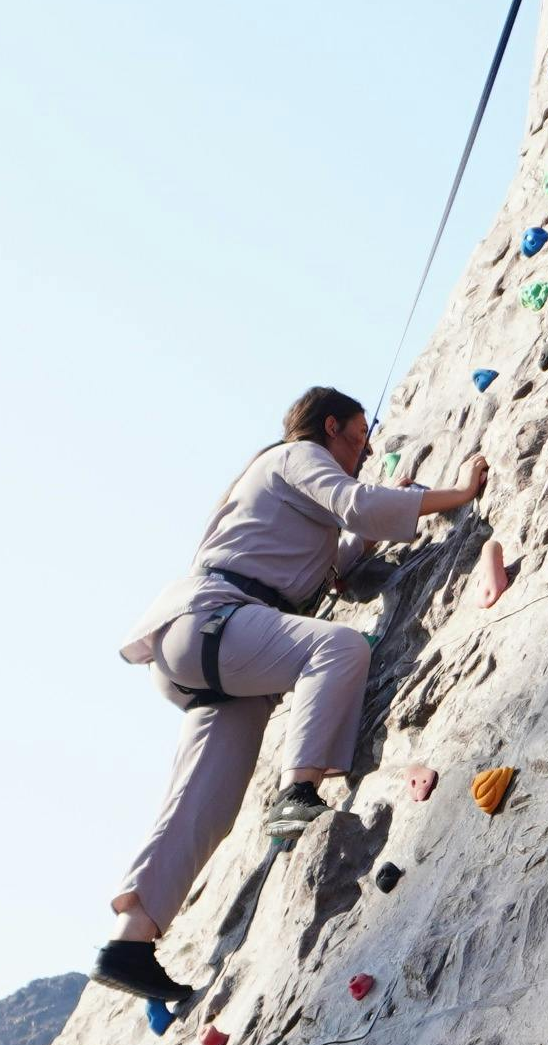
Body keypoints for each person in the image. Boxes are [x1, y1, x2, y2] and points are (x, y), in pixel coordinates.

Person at [95, 390, 489, 1007]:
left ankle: (130, 940)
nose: (363, 452)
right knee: (339, 649)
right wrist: (455, 495)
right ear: (329, 428)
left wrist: (391, 516)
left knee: (207, 798)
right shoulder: (296, 455)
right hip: (218, 620)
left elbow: (332, 563)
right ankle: (300, 789)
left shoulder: (284, 487)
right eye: (358, 438)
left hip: (207, 643)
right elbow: (357, 504)